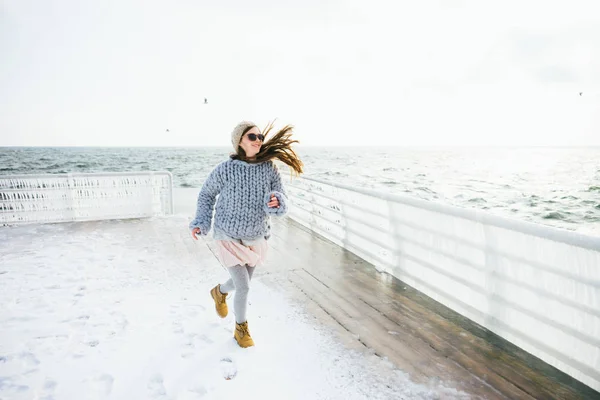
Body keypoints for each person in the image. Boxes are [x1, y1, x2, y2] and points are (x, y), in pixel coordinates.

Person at [189, 120, 303, 348]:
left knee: (240, 282)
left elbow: (282, 199)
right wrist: (201, 222)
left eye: (260, 137)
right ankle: (241, 329)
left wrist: (276, 201)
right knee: (244, 287)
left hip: (256, 236)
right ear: (240, 141)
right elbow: (206, 195)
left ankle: (219, 292)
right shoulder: (225, 169)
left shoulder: (269, 168)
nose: (258, 140)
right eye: (253, 137)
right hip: (227, 236)